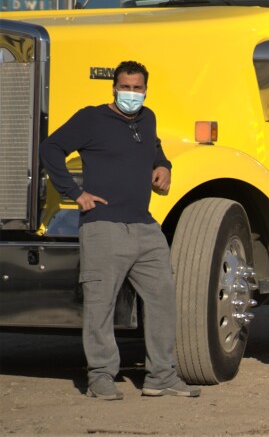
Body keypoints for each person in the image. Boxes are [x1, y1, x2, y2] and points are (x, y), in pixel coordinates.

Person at [40, 61, 200, 399]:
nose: (131, 93)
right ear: (114, 88)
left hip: (144, 226)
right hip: (103, 226)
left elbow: (155, 147)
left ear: (145, 89)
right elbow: (51, 148)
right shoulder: (92, 118)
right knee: (101, 305)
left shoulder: (148, 118)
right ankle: (101, 377)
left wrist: (163, 166)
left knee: (163, 299)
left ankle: (162, 376)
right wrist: (75, 193)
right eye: (125, 87)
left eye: (137, 88)